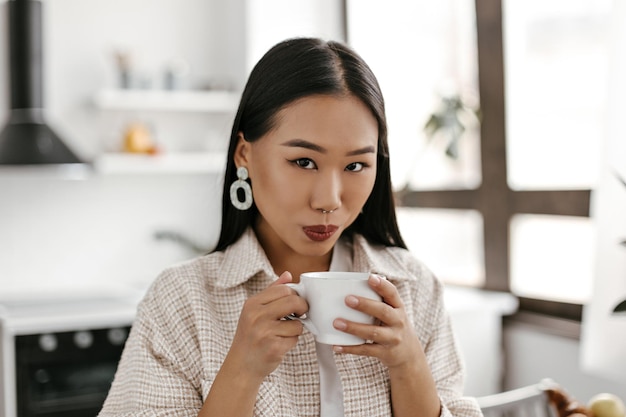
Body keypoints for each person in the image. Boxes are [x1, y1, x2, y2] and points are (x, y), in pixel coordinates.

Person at [98, 37, 483, 417]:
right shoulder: (181, 301)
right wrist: (241, 372)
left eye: (355, 166)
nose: (329, 199)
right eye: (303, 162)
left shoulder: (415, 288)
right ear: (244, 154)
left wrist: (409, 367)